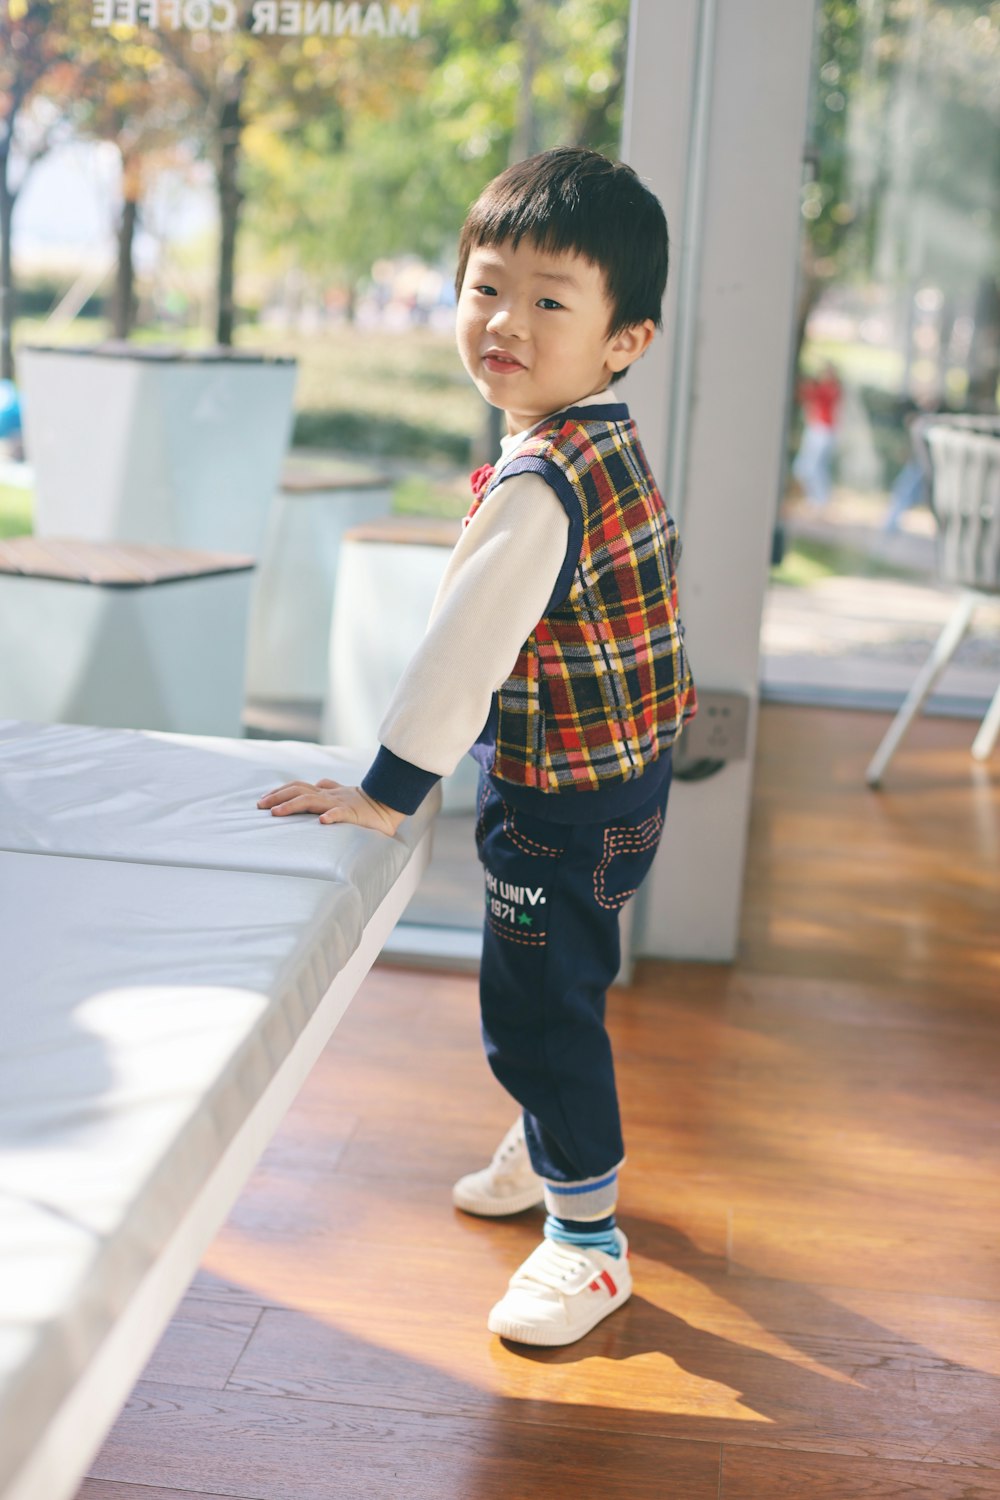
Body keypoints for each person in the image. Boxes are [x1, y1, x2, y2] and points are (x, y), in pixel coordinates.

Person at [256, 148, 698, 1347]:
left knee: (536, 1009)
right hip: (629, 782)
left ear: (625, 339)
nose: (505, 321)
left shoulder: (539, 483)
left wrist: (387, 792)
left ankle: (587, 1242)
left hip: (559, 806)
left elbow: (464, 654)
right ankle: (551, 1137)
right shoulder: (604, 443)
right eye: (485, 287)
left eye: (550, 301)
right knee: (570, 982)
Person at [792, 360, 841, 507]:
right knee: (806, 467)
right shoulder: (822, 388)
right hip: (816, 429)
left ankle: (819, 500)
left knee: (814, 467)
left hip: (822, 430)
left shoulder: (830, 390)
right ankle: (814, 499)